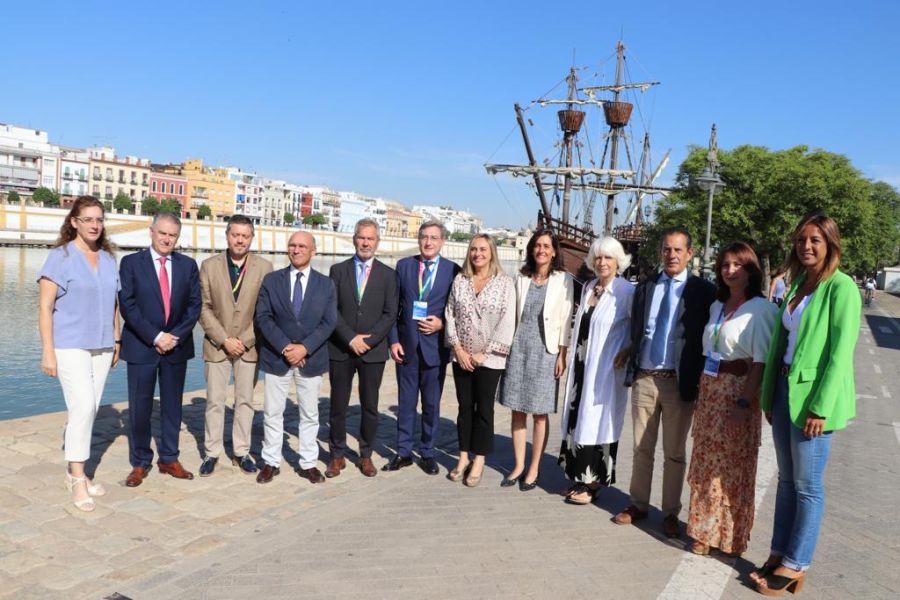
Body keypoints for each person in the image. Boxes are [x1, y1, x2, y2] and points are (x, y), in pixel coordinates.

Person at [752, 214, 860, 595]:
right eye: (801, 240)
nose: (807, 246)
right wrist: (768, 396)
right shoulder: (798, 282)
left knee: (808, 486)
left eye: (815, 240)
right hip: (783, 391)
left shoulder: (841, 287)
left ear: (830, 243)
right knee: (786, 481)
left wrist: (821, 407)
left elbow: (839, 353)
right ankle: (779, 551)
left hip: (813, 400)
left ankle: (797, 563)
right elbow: (782, 343)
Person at [613, 226, 716, 538]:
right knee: (642, 448)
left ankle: (670, 512)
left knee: (674, 453)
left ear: (689, 253)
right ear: (661, 253)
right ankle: (638, 504)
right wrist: (630, 350)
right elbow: (640, 327)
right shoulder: (645, 287)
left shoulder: (703, 291)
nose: (671, 255)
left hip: (678, 384)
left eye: (677, 250)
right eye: (666, 250)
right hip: (645, 378)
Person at [686, 242, 778, 557]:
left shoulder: (761, 310)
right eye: (725, 265)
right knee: (706, 464)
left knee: (732, 468)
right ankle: (703, 532)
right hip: (711, 391)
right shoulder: (716, 307)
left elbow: (760, 361)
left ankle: (729, 537)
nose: (730, 271)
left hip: (738, 393)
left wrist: (743, 402)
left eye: (738, 265)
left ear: (751, 270)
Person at [38, 196, 120, 511]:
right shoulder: (60, 257)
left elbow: (114, 303)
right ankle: (76, 478)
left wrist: (116, 339)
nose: (95, 225)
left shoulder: (109, 259)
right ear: (74, 222)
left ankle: (80, 473)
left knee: (90, 407)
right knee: (83, 406)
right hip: (69, 343)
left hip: (101, 344)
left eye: (99, 219)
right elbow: (45, 307)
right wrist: (48, 351)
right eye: (88, 219)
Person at [119, 213, 201, 487]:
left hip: (176, 348)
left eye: (173, 235)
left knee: (172, 407)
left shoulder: (188, 265)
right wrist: (156, 336)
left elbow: (194, 306)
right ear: (151, 232)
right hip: (142, 346)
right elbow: (128, 306)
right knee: (139, 408)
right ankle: (140, 462)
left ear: (178, 237)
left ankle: (169, 458)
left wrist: (173, 336)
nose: (167, 239)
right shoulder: (131, 263)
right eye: (162, 233)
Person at [254, 231, 337, 484]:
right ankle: (271, 461)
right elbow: (263, 317)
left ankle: (308, 462)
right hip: (277, 357)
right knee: (272, 412)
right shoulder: (272, 280)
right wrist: (286, 347)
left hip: (310, 360)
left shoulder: (326, 284)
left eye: (302, 246)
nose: (297, 249)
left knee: (310, 414)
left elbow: (329, 322)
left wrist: (305, 348)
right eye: (292, 245)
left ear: (313, 251)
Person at [557, 237, 633, 505]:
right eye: (598, 257)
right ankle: (579, 477)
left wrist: (627, 351)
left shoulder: (625, 292)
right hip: (581, 366)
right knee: (579, 417)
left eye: (608, 257)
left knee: (597, 421)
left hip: (605, 370)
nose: (602, 262)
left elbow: (638, 329)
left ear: (618, 261)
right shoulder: (589, 287)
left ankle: (593, 482)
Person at [197, 215, 273, 476]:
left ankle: (241, 451)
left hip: (249, 347)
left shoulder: (265, 267)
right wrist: (224, 339)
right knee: (215, 401)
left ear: (252, 238)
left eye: (245, 235)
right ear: (227, 235)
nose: (240, 240)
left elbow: (266, 311)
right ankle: (212, 452)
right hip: (217, 345)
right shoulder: (209, 266)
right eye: (235, 235)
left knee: (245, 401)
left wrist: (245, 340)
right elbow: (203, 307)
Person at [384, 221, 461, 475]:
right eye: (424, 237)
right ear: (418, 239)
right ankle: (403, 452)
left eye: (434, 238)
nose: (428, 242)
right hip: (406, 348)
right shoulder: (404, 266)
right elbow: (394, 309)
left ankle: (427, 452)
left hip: (435, 349)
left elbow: (459, 312)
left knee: (431, 405)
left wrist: (442, 324)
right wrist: (393, 340)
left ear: (442, 242)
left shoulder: (453, 271)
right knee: (405, 404)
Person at [500, 228, 573, 491]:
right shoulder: (521, 278)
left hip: (546, 350)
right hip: (519, 348)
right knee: (517, 408)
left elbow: (566, 320)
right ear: (532, 249)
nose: (541, 250)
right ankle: (518, 464)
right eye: (537, 246)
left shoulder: (563, 280)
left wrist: (562, 354)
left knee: (540, 413)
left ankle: (534, 467)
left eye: (546, 246)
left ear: (554, 251)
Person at [325, 219, 399, 478]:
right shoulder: (337, 271)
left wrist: (368, 340)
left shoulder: (389, 275)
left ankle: (365, 455)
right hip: (341, 349)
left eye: (371, 238)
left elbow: (391, 314)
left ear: (377, 242)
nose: (365, 242)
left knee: (370, 405)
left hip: (373, 352)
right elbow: (330, 309)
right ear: (354, 239)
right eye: (361, 238)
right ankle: (337, 455)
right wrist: (349, 338)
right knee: (337, 405)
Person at [444, 234, 516, 487]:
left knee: (483, 409)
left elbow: (508, 320)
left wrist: (483, 354)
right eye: (474, 249)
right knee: (464, 409)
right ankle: (463, 456)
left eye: (483, 249)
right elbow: (449, 313)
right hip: (461, 356)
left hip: (489, 359)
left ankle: (479, 459)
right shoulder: (460, 280)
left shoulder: (505, 283)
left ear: (492, 253)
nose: (478, 254)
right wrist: (459, 349)